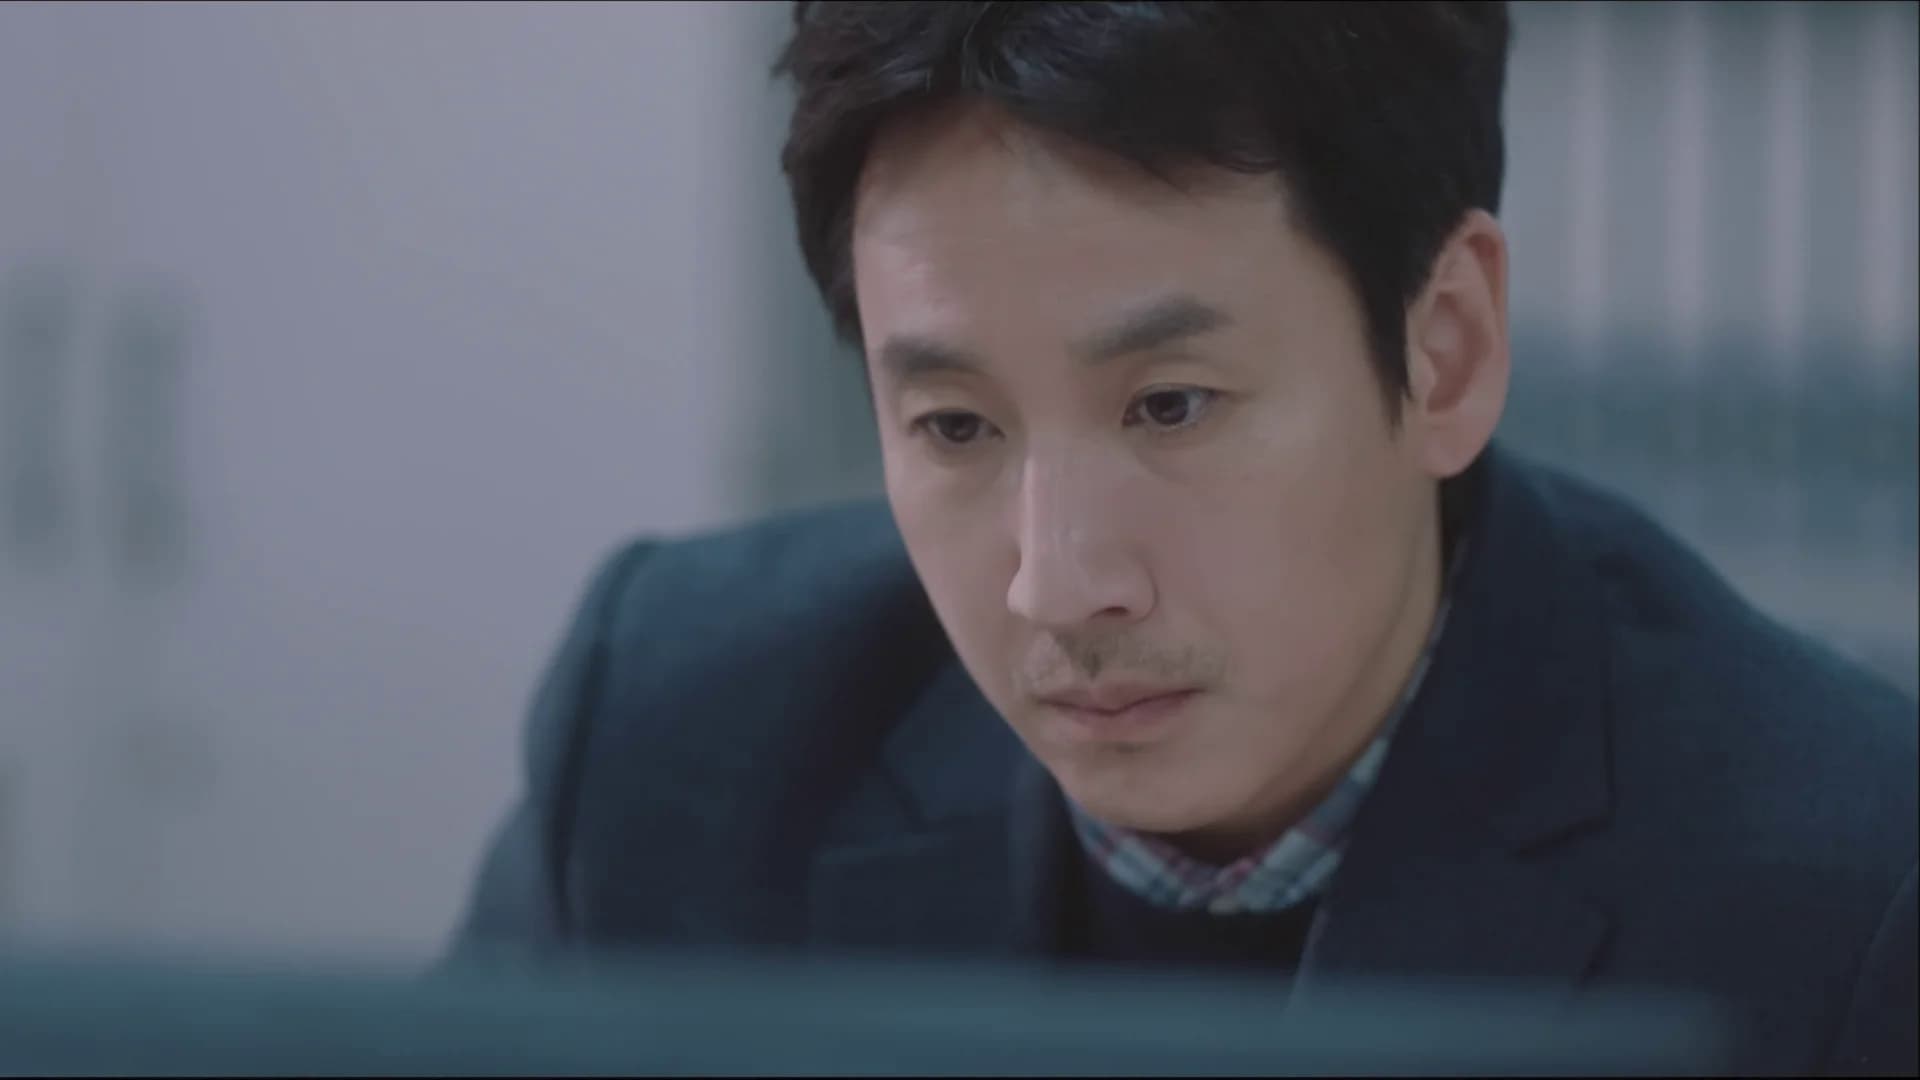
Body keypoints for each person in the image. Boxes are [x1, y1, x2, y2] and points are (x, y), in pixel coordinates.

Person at [448, 3, 1917, 1074]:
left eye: (1170, 406)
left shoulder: (1846, 898)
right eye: (955, 426)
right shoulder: (672, 738)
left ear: (1447, 350)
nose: (1058, 584)